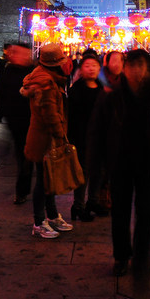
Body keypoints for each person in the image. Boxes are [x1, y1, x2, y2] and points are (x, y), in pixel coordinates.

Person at [94, 49, 150, 280]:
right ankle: (121, 256)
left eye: (143, 66)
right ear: (126, 68)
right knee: (119, 213)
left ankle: (141, 256)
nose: (138, 71)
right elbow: (98, 131)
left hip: (148, 164)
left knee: (147, 214)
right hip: (120, 164)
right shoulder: (112, 95)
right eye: (134, 65)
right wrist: (96, 166)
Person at [21, 43, 74, 239]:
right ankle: (38, 222)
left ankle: (52, 215)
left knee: (49, 178)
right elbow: (50, 114)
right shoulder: (46, 83)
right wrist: (61, 136)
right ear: (54, 64)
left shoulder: (45, 76)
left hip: (43, 137)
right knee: (43, 182)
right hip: (45, 139)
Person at [86, 50, 126, 217]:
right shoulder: (99, 81)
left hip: (120, 134)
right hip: (101, 133)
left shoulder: (126, 82)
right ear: (106, 63)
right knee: (99, 170)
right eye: (113, 60)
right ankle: (96, 200)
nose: (116, 64)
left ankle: (109, 199)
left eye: (119, 61)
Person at [67, 52, 104, 222]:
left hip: (100, 138)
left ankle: (93, 202)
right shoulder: (76, 90)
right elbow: (71, 117)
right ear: (81, 69)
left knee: (98, 171)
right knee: (83, 174)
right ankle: (78, 206)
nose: (91, 69)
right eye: (87, 66)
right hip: (82, 139)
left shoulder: (104, 88)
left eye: (94, 66)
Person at [0, 43, 35, 204]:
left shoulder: (34, 72)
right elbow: (2, 93)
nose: (23, 57)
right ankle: (22, 191)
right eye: (19, 53)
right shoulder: (8, 71)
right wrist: (5, 113)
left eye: (26, 54)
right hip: (16, 121)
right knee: (23, 156)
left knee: (29, 157)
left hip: (33, 120)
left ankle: (26, 189)